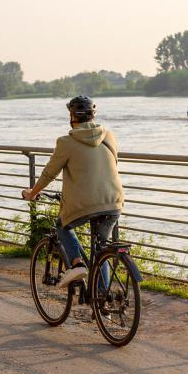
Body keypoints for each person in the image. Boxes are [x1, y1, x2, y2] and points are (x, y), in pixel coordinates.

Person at [22, 96, 124, 288]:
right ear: (93, 116)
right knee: (100, 248)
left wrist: (33, 192)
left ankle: (77, 264)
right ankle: (103, 302)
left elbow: (49, 173)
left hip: (85, 204)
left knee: (62, 226)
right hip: (114, 202)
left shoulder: (66, 142)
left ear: (72, 117)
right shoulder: (109, 137)